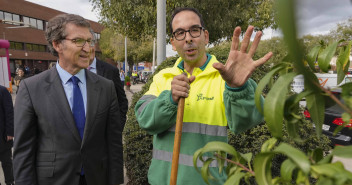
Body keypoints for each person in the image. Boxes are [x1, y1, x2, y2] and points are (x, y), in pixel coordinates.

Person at [134, 7, 272, 185]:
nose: (188, 38)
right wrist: (170, 100)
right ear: (173, 42)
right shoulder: (163, 77)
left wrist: (238, 88)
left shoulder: (224, 77)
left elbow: (245, 122)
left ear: (205, 36)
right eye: (180, 33)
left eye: (194, 30)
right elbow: (145, 120)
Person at [13, 14, 123, 185]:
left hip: (97, 178)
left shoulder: (106, 87)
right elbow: (23, 152)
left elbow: (114, 144)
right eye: (79, 41)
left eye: (90, 41)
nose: (88, 48)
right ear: (57, 44)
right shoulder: (31, 88)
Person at [88, 46, 128, 130]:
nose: (87, 47)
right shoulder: (73, 71)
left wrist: (118, 127)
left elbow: (122, 100)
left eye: (90, 42)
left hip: (106, 132)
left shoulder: (110, 70)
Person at [0, 85, 14, 185]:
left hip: (3, 135)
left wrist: (10, 132)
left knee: (6, 162)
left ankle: (9, 182)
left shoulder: (3, 91)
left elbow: (9, 112)